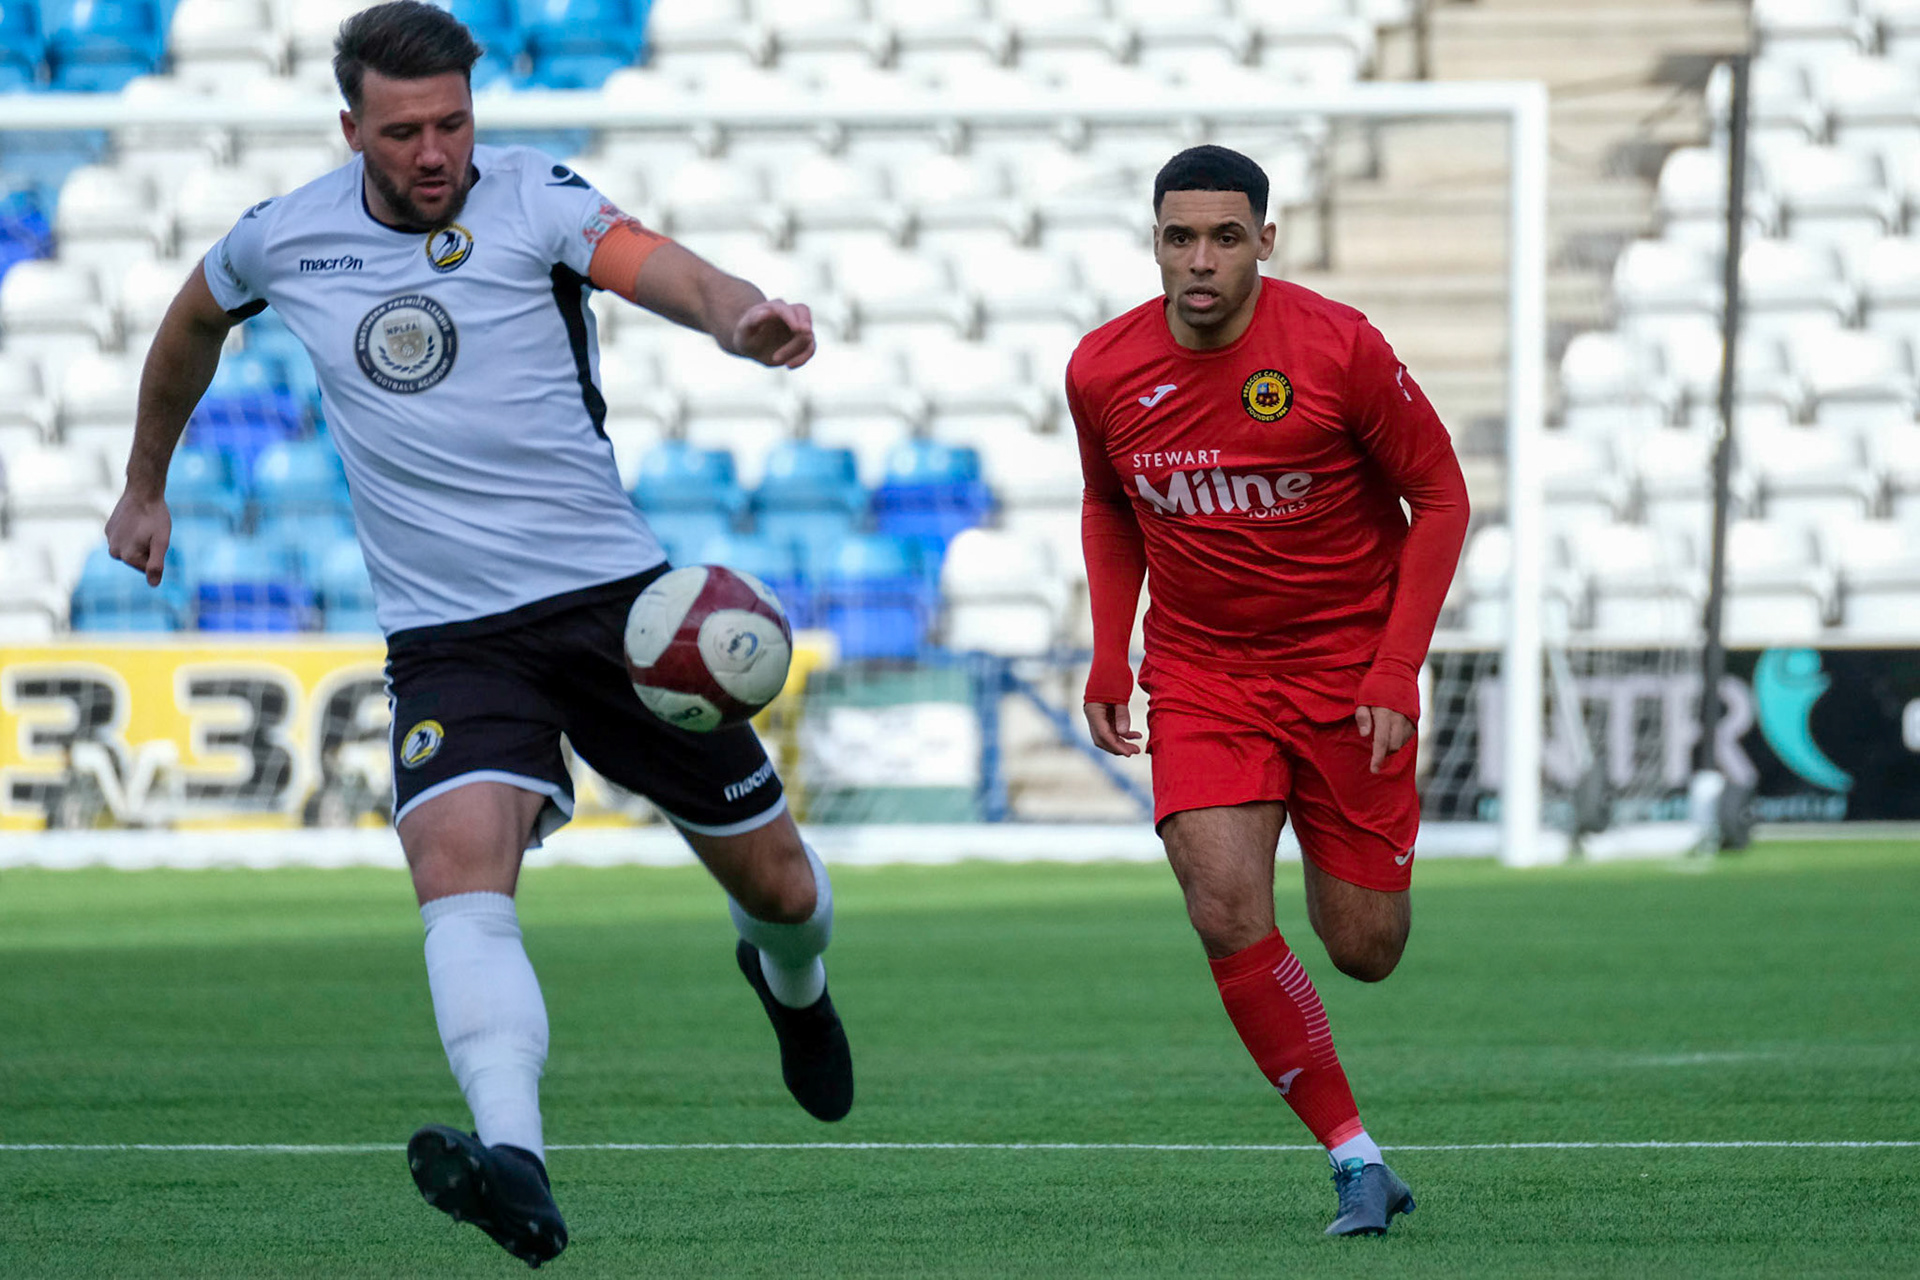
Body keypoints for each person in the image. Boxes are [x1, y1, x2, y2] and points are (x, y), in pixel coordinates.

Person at [103, 3, 853, 1266]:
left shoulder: (535, 199)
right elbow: (189, 324)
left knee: (780, 887)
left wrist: (739, 319)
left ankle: (794, 984)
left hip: (621, 613)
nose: (436, 148)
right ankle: (516, 1157)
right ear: (353, 130)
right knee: (457, 879)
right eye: (405, 131)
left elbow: (662, 266)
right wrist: (145, 481)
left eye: (453, 120)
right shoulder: (284, 238)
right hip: (450, 637)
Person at [1066, 145, 1469, 1236]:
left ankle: (1356, 1126)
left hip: (1348, 675)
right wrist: (1111, 652)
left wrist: (1394, 666)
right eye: (1178, 236)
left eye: (1224, 236)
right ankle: (1356, 1158)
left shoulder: (1338, 350)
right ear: (1155, 240)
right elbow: (1110, 507)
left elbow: (1441, 498)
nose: (1200, 260)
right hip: (1202, 676)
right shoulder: (1102, 368)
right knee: (1223, 904)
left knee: (1364, 947)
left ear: (1265, 241)